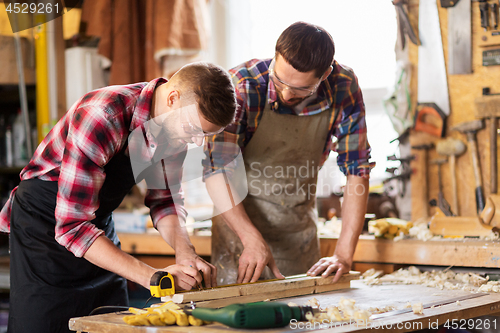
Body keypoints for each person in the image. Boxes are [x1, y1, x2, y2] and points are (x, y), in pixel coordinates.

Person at [0, 62, 237, 333]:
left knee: (112, 324)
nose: (196, 142)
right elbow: (72, 227)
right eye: (195, 129)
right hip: (44, 228)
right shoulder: (102, 115)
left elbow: (165, 201)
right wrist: (154, 277)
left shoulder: (175, 129)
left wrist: (186, 254)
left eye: (206, 135)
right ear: (173, 99)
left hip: (96, 223)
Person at [204, 22, 373, 285]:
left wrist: (343, 255)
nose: (285, 93)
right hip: (238, 230)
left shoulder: (343, 86)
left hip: (297, 232)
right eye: (279, 80)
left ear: (325, 74)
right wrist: (250, 238)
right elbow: (217, 171)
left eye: (300, 89)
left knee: (301, 319)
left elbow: (357, 171)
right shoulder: (242, 86)